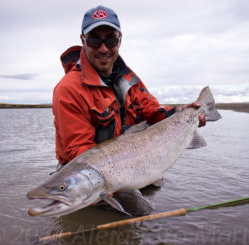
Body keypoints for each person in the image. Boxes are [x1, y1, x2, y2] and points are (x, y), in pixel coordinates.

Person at [53, 5, 205, 166]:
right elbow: (78, 150)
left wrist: (180, 113)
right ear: (83, 40)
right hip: (85, 176)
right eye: (94, 40)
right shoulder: (68, 89)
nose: (103, 49)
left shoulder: (128, 78)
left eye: (110, 40)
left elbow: (151, 111)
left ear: (120, 40)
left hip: (131, 164)